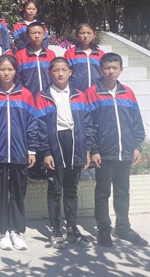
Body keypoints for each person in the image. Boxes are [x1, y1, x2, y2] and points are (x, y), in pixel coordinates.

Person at [85, 53, 148, 247]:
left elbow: (136, 121)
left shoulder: (127, 92)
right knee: (102, 192)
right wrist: (94, 149)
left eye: (114, 68)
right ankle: (104, 229)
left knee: (122, 192)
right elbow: (88, 124)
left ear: (121, 69)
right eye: (107, 67)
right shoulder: (92, 93)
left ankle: (123, 227)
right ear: (100, 69)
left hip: (125, 152)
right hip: (104, 153)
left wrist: (136, 146)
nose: (111, 71)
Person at [0, 55, 37, 251]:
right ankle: (2, 231)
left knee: (18, 194)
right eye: (2, 69)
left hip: (20, 152)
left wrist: (32, 149)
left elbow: (32, 123)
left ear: (15, 71)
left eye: (10, 69)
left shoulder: (25, 94)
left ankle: (17, 230)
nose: (6, 73)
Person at [36, 57, 93, 249]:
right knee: (55, 189)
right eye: (56, 70)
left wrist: (87, 149)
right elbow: (40, 126)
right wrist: (46, 151)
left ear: (70, 72)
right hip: (55, 144)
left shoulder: (79, 95)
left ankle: (72, 229)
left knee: (71, 189)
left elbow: (87, 124)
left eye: (64, 70)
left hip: (75, 143)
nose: (60, 74)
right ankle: (56, 230)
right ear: (49, 73)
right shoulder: (43, 96)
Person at [15, 22, 56, 96]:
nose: (37, 36)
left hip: (48, 97)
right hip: (28, 97)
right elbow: (18, 79)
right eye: (33, 33)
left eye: (39, 33)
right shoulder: (20, 55)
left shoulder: (51, 54)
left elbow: (55, 76)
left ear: (44, 35)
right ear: (27, 36)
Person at [64, 22, 104, 92]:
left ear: (94, 35)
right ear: (76, 35)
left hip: (96, 93)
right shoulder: (69, 54)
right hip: (76, 93)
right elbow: (65, 73)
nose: (85, 36)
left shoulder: (100, 54)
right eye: (82, 33)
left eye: (89, 33)